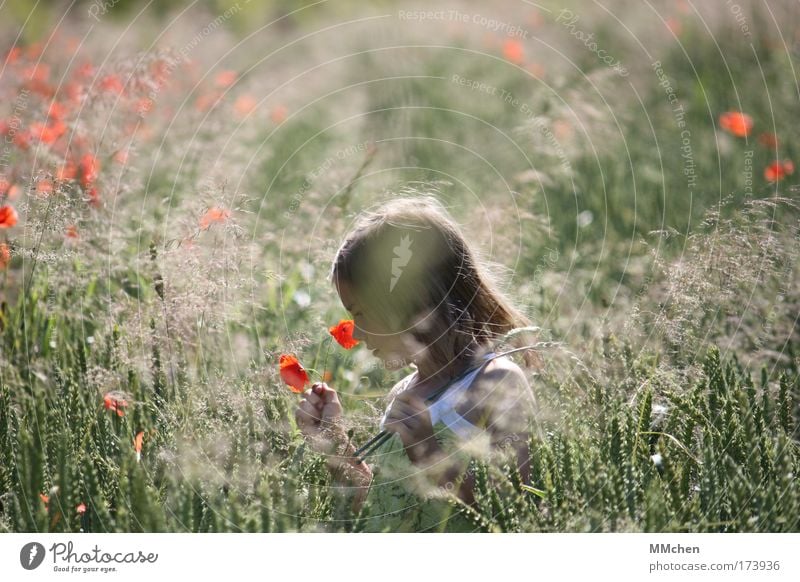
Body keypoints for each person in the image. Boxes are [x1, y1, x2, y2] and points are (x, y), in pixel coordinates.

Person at [294, 195, 541, 532]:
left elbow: (518, 513)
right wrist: (334, 443)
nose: (358, 333)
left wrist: (429, 453)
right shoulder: (404, 391)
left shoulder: (495, 382)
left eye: (361, 314)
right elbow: (383, 507)